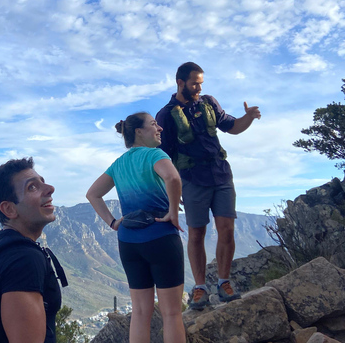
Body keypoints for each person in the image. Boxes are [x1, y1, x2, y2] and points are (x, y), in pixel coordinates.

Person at [155, 62, 261, 310]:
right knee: (196, 233)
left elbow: (232, 127)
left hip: (221, 174)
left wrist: (248, 118)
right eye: (195, 83)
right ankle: (200, 288)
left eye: (201, 83)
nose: (199, 88)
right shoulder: (166, 115)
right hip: (192, 179)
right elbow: (163, 157)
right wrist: (173, 189)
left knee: (226, 229)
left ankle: (224, 282)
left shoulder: (209, 103)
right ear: (180, 82)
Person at [86, 112, 186, 343]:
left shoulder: (119, 164)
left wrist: (113, 222)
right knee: (171, 313)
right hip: (160, 235)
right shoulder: (154, 154)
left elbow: (93, 194)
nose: (159, 128)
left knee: (141, 313)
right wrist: (172, 211)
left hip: (128, 241)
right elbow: (173, 178)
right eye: (154, 125)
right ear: (139, 132)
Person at [0, 157, 65, 343]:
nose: (50, 188)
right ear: (9, 209)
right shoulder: (24, 258)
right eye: (32, 187)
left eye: (42, 181)